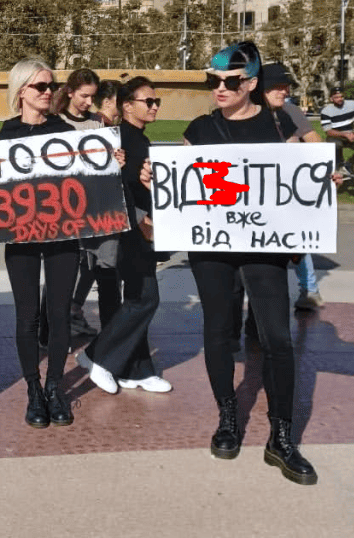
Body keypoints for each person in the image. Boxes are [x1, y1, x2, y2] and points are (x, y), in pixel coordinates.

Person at [182, 41, 317, 485]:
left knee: (277, 337)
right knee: (218, 333)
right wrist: (152, 177)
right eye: (213, 79)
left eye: (230, 81)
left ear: (252, 83)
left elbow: (302, 181)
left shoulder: (279, 127)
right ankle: (228, 416)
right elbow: (179, 185)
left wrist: (321, 183)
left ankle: (281, 436)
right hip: (212, 249)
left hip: (264, 247)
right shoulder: (199, 129)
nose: (219, 87)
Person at [0, 59, 80, 428]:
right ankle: (34, 390)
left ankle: (55, 387)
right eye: (40, 87)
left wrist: (109, 162)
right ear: (21, 92)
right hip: (21, 239)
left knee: (60, 312)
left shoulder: (67, 133)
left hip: (63, 236)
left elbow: (88, 183)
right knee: (27, 315)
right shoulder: (3, 139)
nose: (49, 92)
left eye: (51, 85)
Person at [75, 77, 171, 394]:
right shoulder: (122, 139)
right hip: (130, 231)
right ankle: (96, 355)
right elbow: (116, 188)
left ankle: (137, 370)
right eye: (149, 101)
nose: (155, 106)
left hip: (140, 229)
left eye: (157, 101)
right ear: (127, 105)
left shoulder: (137, 138)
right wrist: (144, 223)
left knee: (137, 299)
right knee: (145, 299)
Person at [52, 68, 121, 339]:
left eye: (92, 97)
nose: (88, 103)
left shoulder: (99, 124)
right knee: (69, 265)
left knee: (96, 264)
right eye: (83, 96)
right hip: (65, 206)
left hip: (95, 204)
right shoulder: (54, 121)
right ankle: (60, 320)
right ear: (69, 92)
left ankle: (75, 311)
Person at [262, 63, 323, 311]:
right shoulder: (245, 113)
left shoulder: (291, 112)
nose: (285, 91)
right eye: (278, 86)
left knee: (296, 240)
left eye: (286, 86)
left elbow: (316, 144)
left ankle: (309, 289)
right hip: (256, 193)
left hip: (287, 190)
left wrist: (325, 170)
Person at [319, 86, 354, 174]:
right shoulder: (326, 111)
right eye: (336, 97)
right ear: (331, 99)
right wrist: (345, 135)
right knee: (335, 144)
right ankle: (339, 167)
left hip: (351, 134)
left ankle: (349, 164)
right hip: (336, 136)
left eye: (341, 96)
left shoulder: (353, 105)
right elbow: (328, 131)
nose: (340, 99)